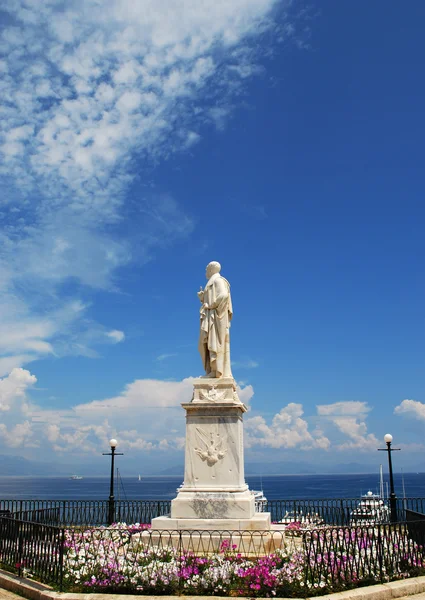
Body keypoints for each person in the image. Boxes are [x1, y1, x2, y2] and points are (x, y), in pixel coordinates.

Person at [197, 261, 233, 378]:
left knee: (215, 344)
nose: (205, 272)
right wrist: (203, 298)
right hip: (212, 318)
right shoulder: (212, 283)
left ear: (211, 270)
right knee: (207, 345)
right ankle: (213, 370)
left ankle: (216, 371)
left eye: (207, 270)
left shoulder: (218, 280)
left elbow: (223, 295)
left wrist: (211, 305)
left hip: (215, 319)